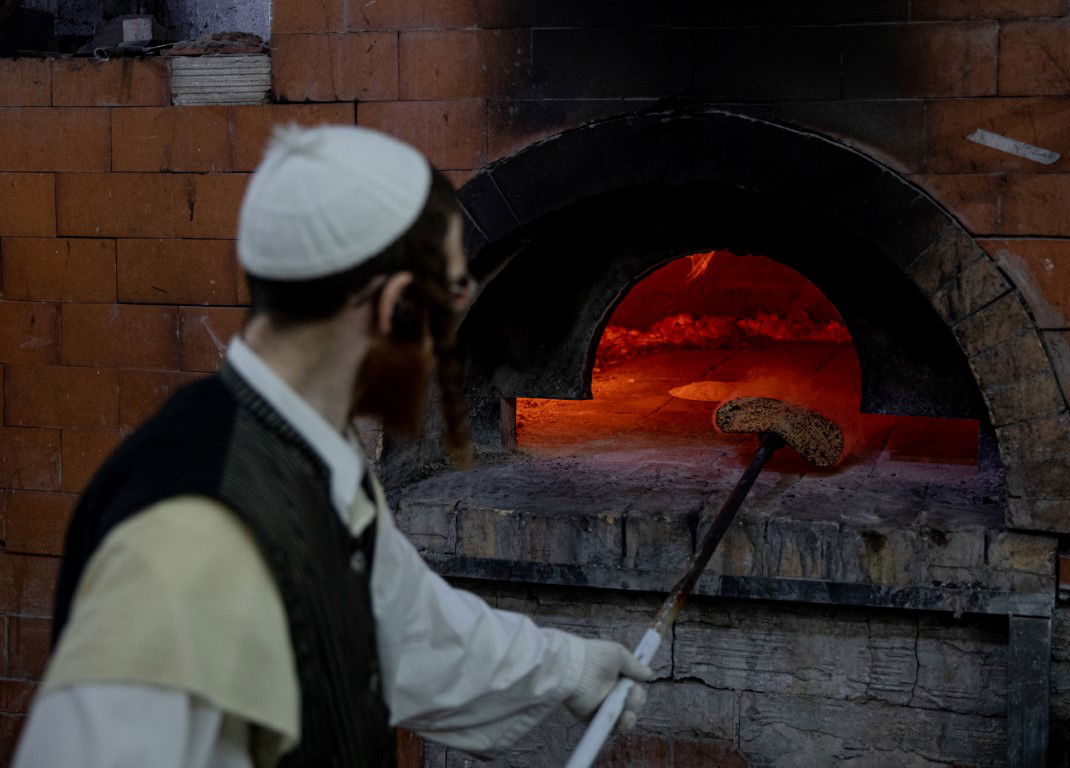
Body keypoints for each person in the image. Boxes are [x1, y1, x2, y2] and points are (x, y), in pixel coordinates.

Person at [13, 124, 653, 768]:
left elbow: (401, 622)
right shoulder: (190, 531)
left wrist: (567, 668)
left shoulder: (310, 449)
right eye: (453, 295)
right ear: (397, 305)